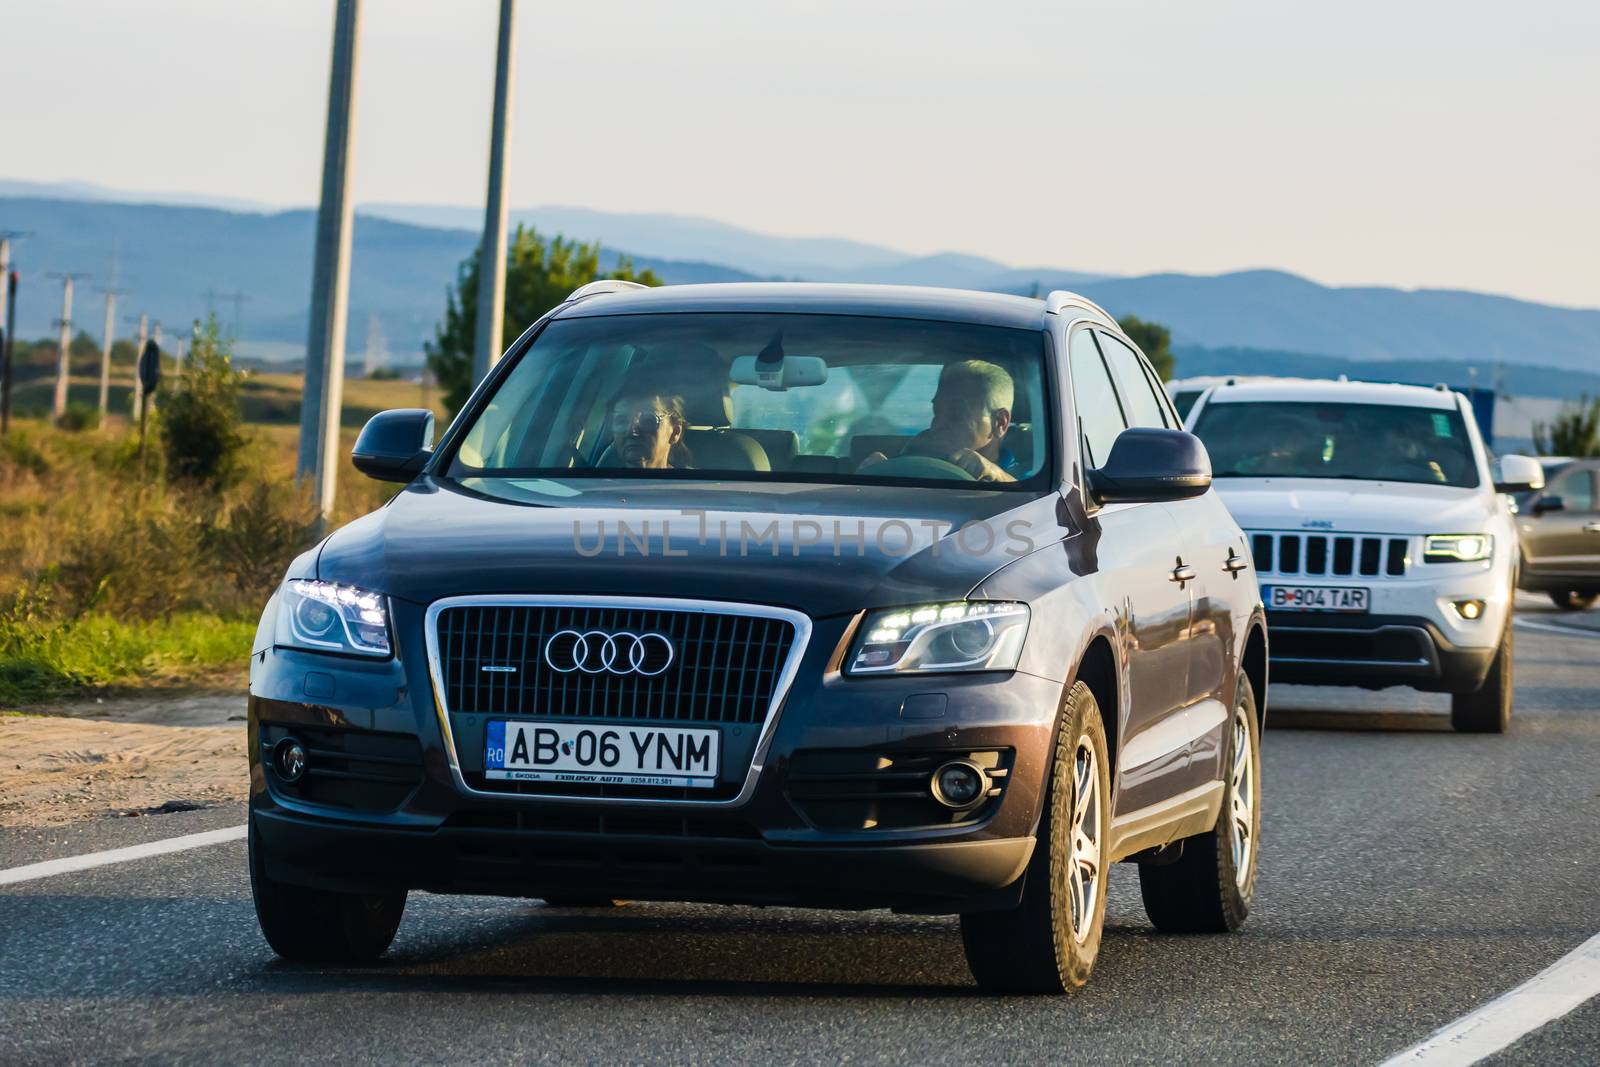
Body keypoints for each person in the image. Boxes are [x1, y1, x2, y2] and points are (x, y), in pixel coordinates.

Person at [860, 359, 1018, 482]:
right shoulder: (912, 466)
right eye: (936, 412)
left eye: (956, 414)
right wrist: (871, 476)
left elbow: (1035, 504)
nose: (937, 425)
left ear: (1000, 423)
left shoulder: (1034, 477)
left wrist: (999, 477)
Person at [608, 380, 692, 469]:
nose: (631, 432)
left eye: (647, 420)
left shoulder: (695, 482)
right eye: (621, 421)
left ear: (675, 432)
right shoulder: (599, 480)